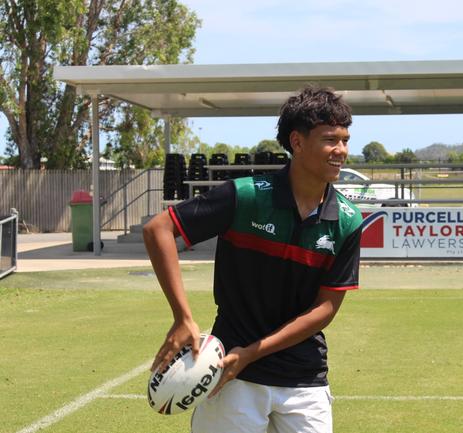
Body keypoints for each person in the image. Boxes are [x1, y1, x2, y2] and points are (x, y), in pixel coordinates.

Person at [143, 85, 363, 433]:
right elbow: (159, 229)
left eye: (345, 140)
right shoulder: (245, 197)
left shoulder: (348, 220)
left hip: (303, 379)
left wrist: (254, 352)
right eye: (330, 140)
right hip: (231, 376)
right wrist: (182, 317)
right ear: (297, 141)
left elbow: (325, 309)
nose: (341, 151)